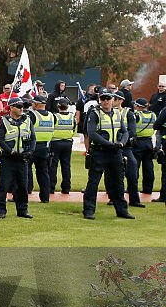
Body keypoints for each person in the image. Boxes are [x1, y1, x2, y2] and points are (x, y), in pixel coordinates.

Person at [82, 89, 133, 220]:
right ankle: (89, 210)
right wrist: (109, 144)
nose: (105, 101)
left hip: (115, 152)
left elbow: (125, 131)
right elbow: (92, 133)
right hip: (99, 152)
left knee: (118, 182)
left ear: (113, 99)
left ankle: (122, 210)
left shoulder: (117, 113)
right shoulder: (94, 113)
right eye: (103, 98)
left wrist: (121, 143)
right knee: (93, 182)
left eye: (108, 98)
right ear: (100, 99)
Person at [0, 97, 35, 219]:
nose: (21, 108)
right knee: (4, 185)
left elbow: (33, 137)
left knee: (23, 186)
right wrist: (10, 151)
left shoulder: (27, 120)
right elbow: (0, 140)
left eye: (22, 106)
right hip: (8, 159)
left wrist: (30, 151)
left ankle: (22, 210)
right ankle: (1, 210)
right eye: (18, 106)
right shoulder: (4, 120)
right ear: (11, 107)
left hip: (22, 158)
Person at [27, 94, 54, 203]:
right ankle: (45, 197)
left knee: (26, 171)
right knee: (43, 173)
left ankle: (26, 192)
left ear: (36, 104)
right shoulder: (52, 116)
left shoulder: (32, 115)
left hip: (32, 146)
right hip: (45, 147)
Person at [49, 97, 75, 194]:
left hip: (55, 142)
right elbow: (73, 129)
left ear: (58, 106)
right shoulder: (72, 117)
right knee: (66, 166)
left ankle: (51, 187)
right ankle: (66, 188)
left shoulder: (54, 116)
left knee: (53, 165)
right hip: (68, 143)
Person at [133, 98, 156, 196]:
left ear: (139, 106)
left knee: (135, 167)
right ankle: (148, 189)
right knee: (148, 167)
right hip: (148, 142)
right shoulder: (153, 115)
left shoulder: (137, 115)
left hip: (138, 142)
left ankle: (132, 188)